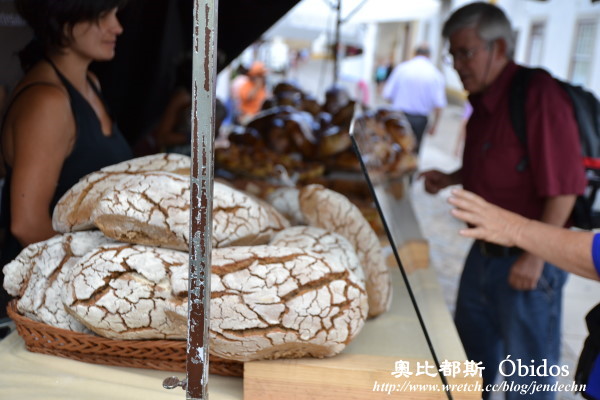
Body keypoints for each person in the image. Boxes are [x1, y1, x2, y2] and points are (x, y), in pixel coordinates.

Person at [420, 3, 587, 398]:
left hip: (530, 261)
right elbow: (499, 160)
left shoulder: (537, 94)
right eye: (453, 53)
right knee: (469, 366)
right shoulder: (483, 98)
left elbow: (565, 186)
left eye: (466, 52)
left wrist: (535, 257)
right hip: (484, 253)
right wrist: (451, 177)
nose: (457, 64)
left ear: (498, 49)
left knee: (527, 379)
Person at [0, 0, 133, 330]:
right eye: (103, 16)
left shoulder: (90, 86)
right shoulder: (47, 101)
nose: (117, 27)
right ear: (63, 22)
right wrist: (99, 279)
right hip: (37, 306)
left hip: (75, 295)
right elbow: (27, 225)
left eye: (115, 14)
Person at [448, 188, 600, 400]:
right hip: (491, 252)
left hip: (527, 257)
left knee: (528, 371)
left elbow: (566, 189)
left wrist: (517, 230)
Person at [382, 44, 446, 153]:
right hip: (419, 120)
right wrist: (435, 125)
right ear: (429, 55)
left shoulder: (402, 68)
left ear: (415, 53)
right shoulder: (435, 74)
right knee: (413, 152)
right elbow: (439, 105)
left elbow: (387, 94)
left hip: (399, 115)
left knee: (395, 150)